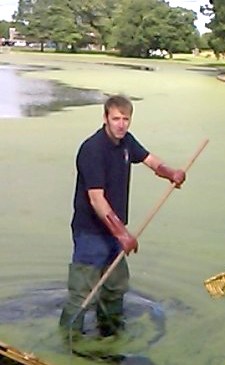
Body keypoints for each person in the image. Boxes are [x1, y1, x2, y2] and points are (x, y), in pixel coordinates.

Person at [59, 94, 186, 338]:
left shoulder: (127, 142)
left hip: (114, 233)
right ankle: (67, 340)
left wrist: (171, 173)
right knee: (81, 294)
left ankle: (111, 333)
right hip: (91, 232)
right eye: (115, 118)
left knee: (115, 288)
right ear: (105, 118)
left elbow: (149, 160)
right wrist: (123, 234)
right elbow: (97, 200)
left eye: (125, 119)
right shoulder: (92, 149)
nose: (121, 124)